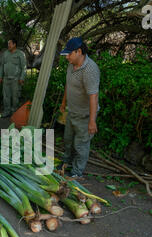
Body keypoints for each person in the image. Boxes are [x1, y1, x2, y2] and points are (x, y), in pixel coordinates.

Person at [59, 37, 100, 178]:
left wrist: (92, 121)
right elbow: (68, 85)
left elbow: (93, 96)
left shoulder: (90, 70)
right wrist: (64, 103)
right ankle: (66, 163)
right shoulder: (71, 65)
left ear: (79, 51)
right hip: (72, 111)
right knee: (68, 140)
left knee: (81, 145)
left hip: (84, 115)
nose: (67, 57)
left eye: (69, 54)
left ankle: (76, 173)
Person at [0, 39, 26, 117]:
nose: (8, 45)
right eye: (8, 44)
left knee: (15, 97)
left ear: (14, 44)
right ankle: (7, 111)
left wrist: (22, 78)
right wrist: (0, 76)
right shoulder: (5, 53)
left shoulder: (20, 54)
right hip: (6, 79)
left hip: (16, 80)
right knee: (6, 96)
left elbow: (23, 67)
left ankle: (14, 112)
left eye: (10, 44)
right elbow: (2, 65)